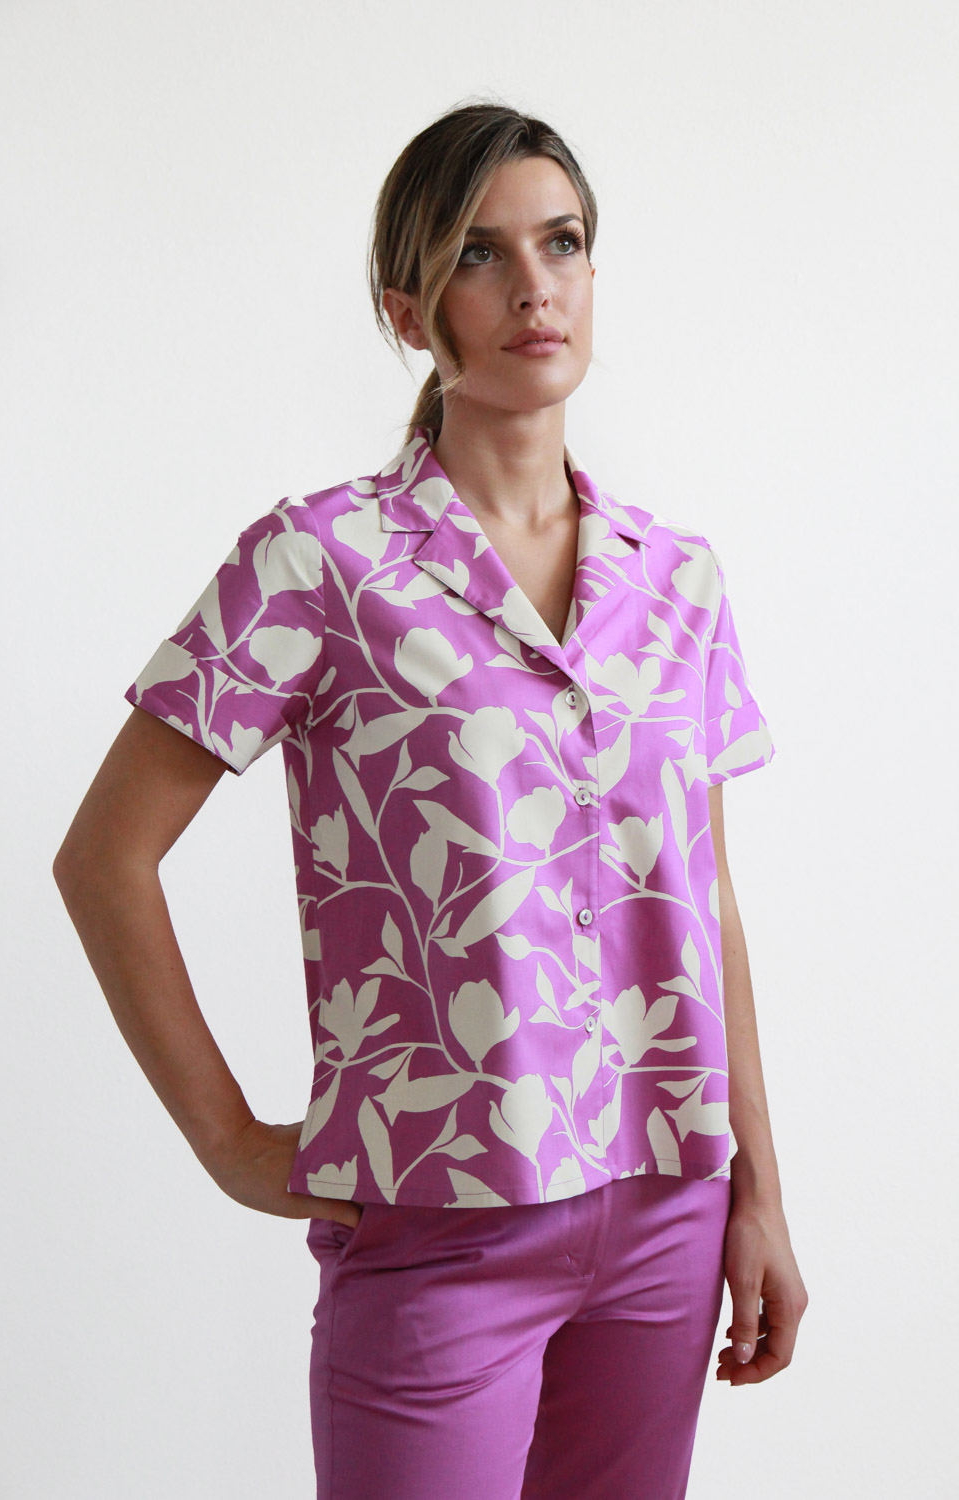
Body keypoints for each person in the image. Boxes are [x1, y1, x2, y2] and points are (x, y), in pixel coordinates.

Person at [54, 99, 808, 1500]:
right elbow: (104, 859)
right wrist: (230, 1142)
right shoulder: (317, 563)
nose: (534, 286)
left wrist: (757, 1194)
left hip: (667, 1216)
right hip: (437, 1226)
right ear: (408, 311)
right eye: (479, 253)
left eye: (562, 243)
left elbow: (707, 905)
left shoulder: (678, 581)